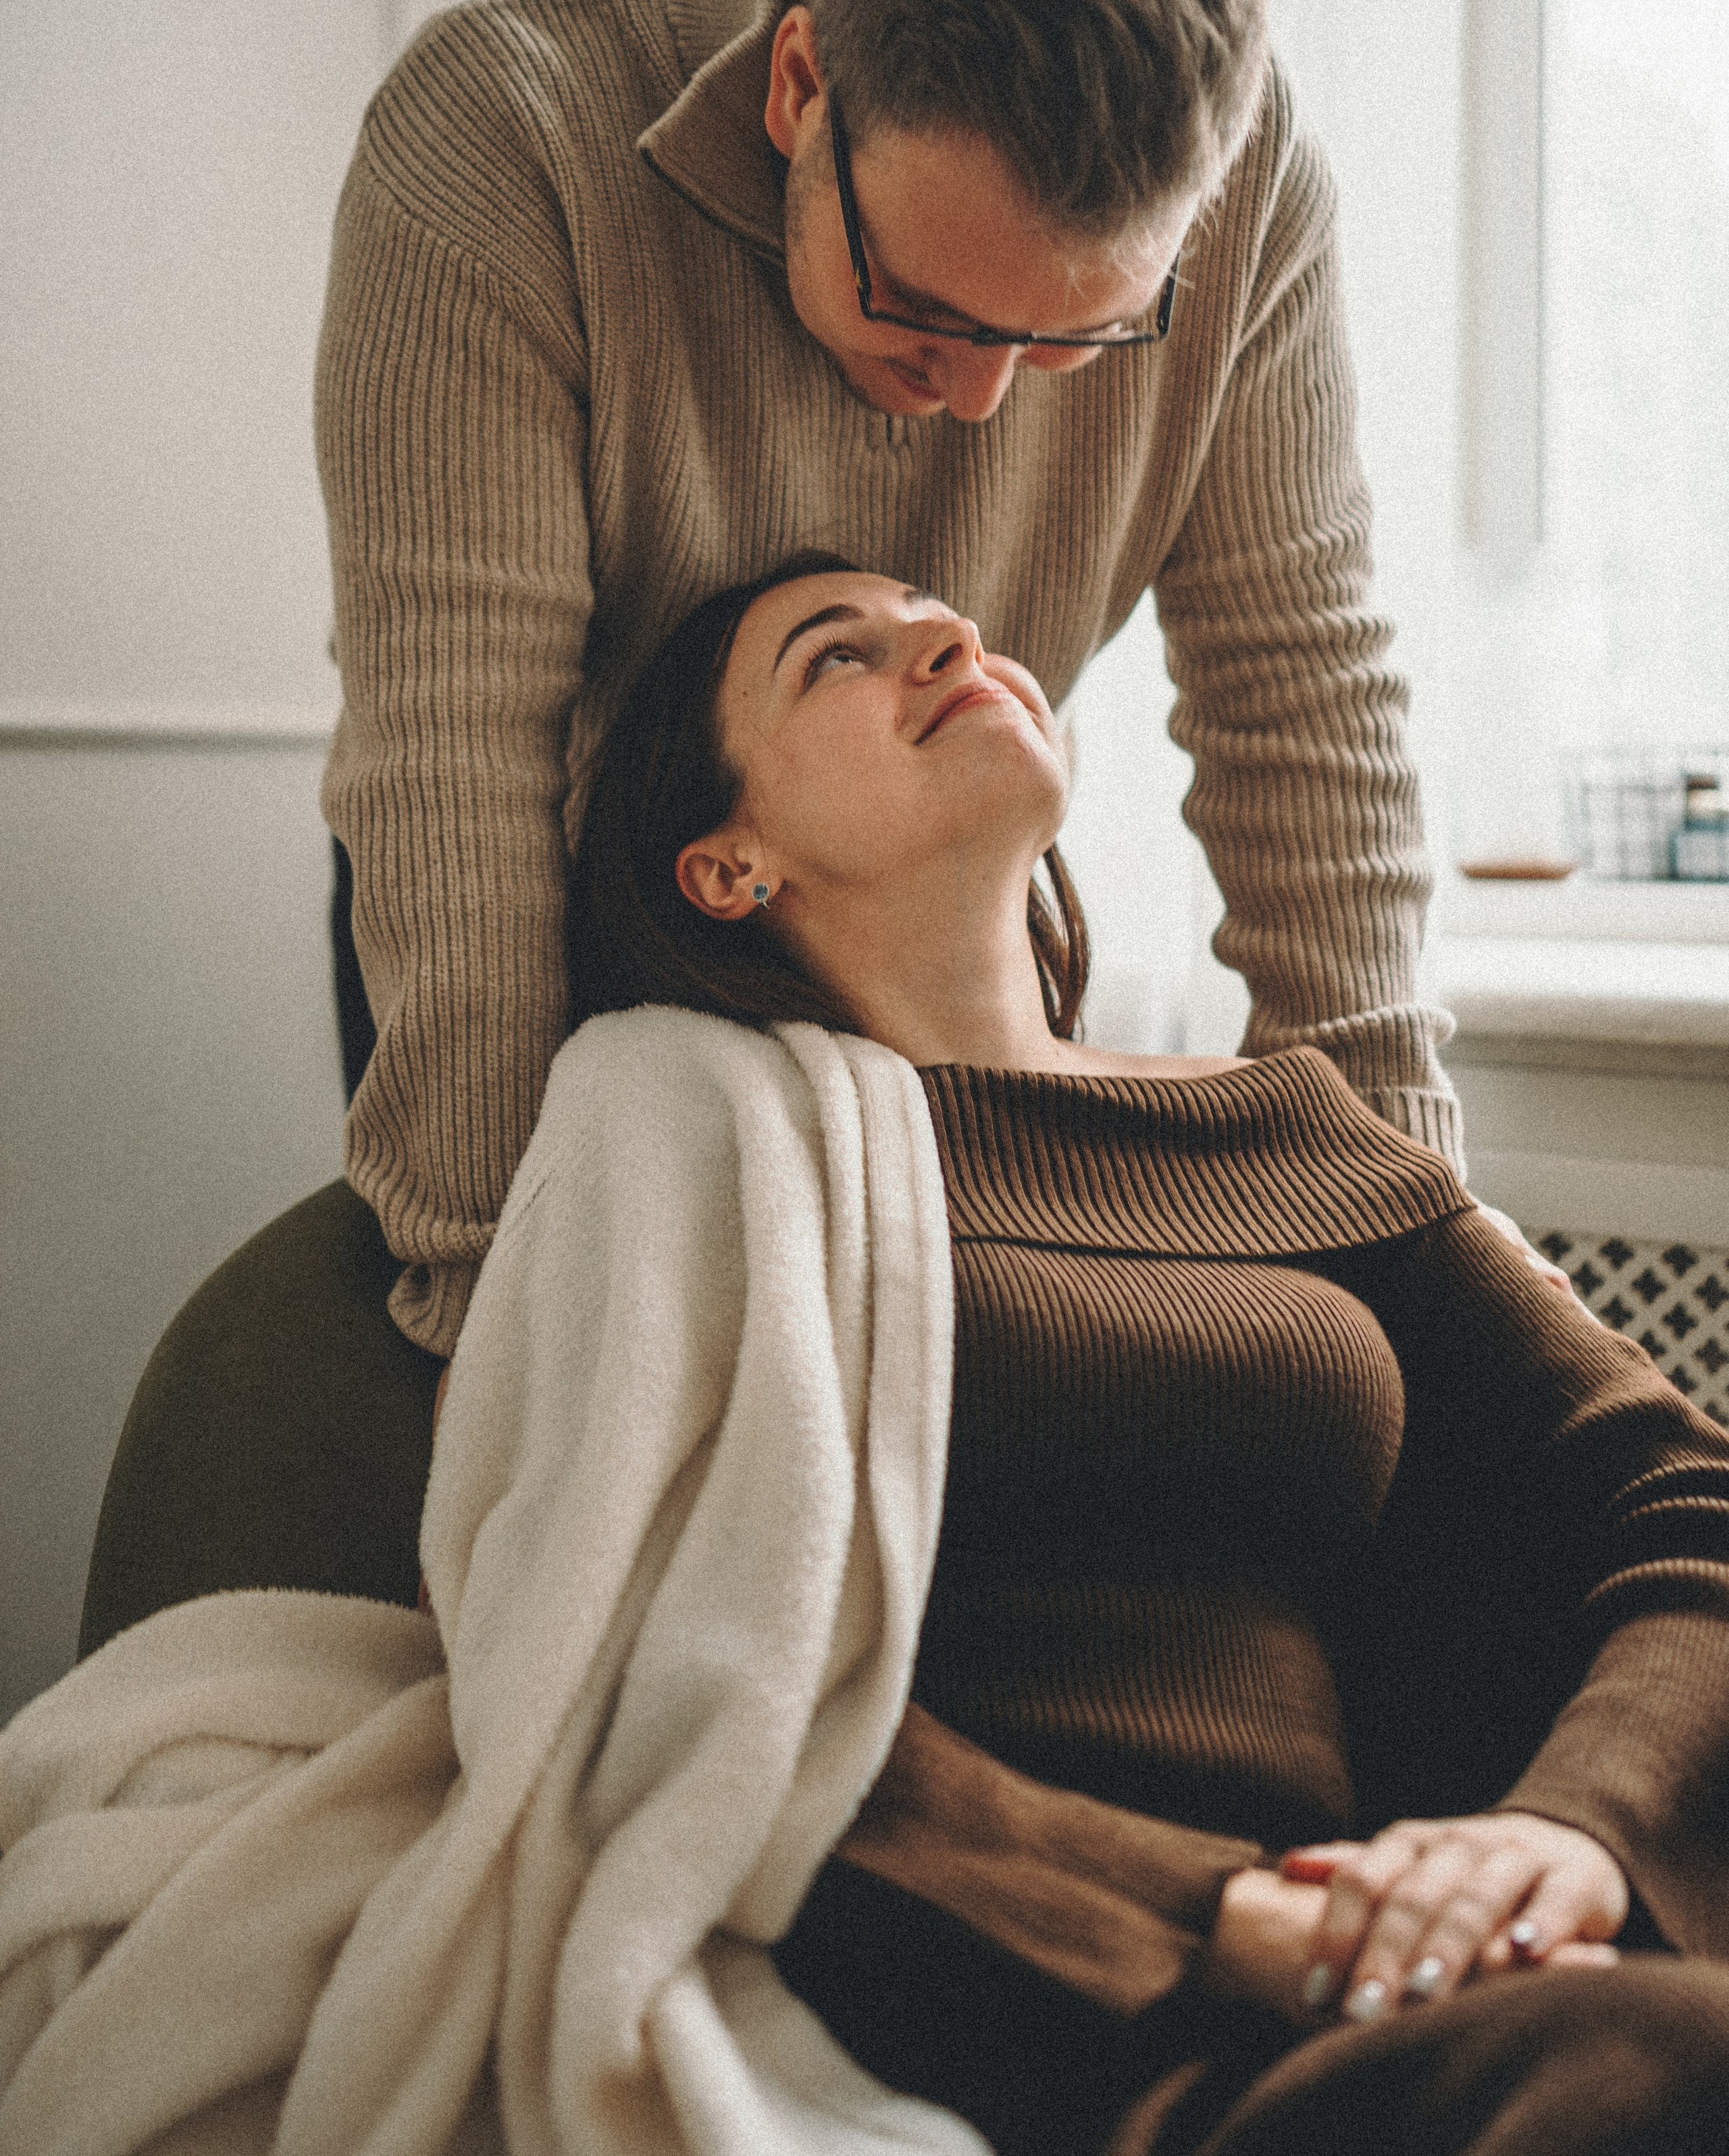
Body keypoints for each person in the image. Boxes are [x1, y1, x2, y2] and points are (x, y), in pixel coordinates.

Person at [316, 0, 1484, 1371]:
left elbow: (1304, 702)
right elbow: (451, 751)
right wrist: (504, 1303)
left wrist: (1407, 1231)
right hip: (571, 940)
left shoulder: (1250, 182)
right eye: (924, 309)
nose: (982, 402)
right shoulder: (503, 130)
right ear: (798, 87)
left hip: (926, 979)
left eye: (1076, 342)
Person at [555, 552, 1729, 2154]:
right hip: (1038, 2007)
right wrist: (1212, 1918)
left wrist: (1571, 1833)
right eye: (839, 656)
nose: (950, 640)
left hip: (1408, 1968)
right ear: (724, 863)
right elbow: (637, 1652)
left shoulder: (1287, 1126)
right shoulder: (691, 1136)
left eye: (940, 622)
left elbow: (1673, 1493)